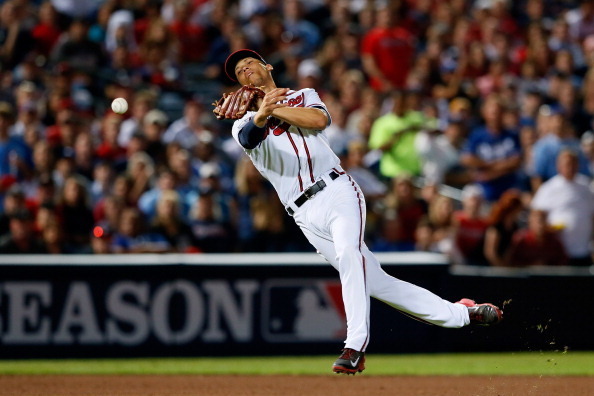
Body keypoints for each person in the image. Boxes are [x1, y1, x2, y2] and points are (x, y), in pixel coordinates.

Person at [222, 49, 504, 375]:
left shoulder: (303, 95)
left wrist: (275, 107)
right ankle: (462, 314)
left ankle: (354, 346)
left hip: (337, 191)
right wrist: (261, 115)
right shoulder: (243, 121)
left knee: (349, 256)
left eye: (249, 64)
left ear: (267, 66)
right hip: (302, 215)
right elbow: (248, 138)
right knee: (376, 283)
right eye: (239, 72)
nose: (245, 71)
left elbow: (318, 121)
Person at [531, 149, 594, 266]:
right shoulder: (548, 188)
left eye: (573, 163)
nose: (570, 167)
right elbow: (536, 217)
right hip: (558, 252)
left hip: (584, 250)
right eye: (567, 164)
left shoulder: (586, 187)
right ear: (559, 166)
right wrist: (547, 229)